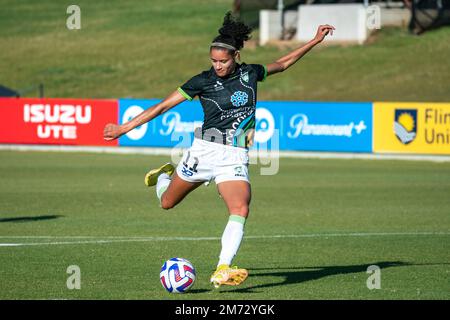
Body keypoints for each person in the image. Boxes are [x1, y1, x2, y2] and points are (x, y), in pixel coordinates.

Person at [103, 12, 334, 288]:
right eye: (213, 60)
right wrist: (124, 128)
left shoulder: (250, 74)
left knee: (240, 207)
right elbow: (163, 106)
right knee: (167, 202)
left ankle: (222, 268)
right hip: (203, 153)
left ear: (236, 55)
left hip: (234, 156)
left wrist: (314, 41)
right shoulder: (202, 81)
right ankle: (165, 176)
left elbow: (282, 64)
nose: (217, 66)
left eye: (222, 61)